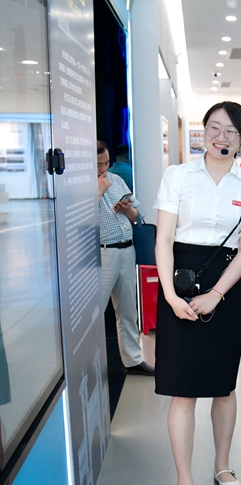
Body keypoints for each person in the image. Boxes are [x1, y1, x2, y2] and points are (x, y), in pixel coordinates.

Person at [153, 102, 241, 485]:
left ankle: (222, 464)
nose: (221, 137)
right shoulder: (178, 176)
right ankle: (185, 483)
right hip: (180, 282)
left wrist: (217, 293)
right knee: (183, 390)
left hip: (226, 286)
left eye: (231, 131)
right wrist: (170, 297)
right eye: (214, 128)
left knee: (223, 386)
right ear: (202, 132)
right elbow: (164, 240)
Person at [96, 141, 154, 376]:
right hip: (103, 253)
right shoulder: (82, 186)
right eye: (98, 164)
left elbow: (136, 216)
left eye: (106, 163)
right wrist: (99, 189)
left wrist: (126, 209)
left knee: (128, 309)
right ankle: (88, 364)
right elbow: (80, 217)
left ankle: (133, 360)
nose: (103, 168)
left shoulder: (117, 179)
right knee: (94, 312)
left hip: (127, 250)